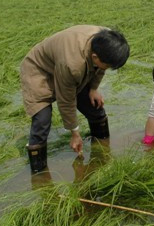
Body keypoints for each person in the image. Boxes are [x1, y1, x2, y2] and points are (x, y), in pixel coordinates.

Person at [20, 25, 130, 172]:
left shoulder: (108, 39)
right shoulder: (73, 65)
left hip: (65, 65)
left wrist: (93, 89)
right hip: (39, 70)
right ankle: (40, 175)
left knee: (94, 106)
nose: (107, 69)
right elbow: (66, 100)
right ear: (95, 57)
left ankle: (102, 148)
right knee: (42, 119)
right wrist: (74, 133)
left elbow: (101, 68)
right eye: (107, 66)